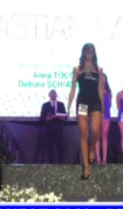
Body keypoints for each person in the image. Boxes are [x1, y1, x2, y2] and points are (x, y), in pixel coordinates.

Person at [67, 43, 105, 180]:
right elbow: (73, 89)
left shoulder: (99, 70)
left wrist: (103, 108)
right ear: (83, 53)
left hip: (95, 101)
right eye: (87, 52)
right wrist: (68, 107)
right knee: (83, 132)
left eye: (92, 52)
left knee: (95, 130)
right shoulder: (77, 69)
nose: (90, 54)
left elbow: (100, 89)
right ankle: (86, 167)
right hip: (82, 102)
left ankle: (92, 148)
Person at [40, 89, 66, 163]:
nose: (54, 96)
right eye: (52, 94)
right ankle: (51, 165)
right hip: (49, 130)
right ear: (49, 95)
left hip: (59, 129)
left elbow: (65, 116)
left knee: (60, 148)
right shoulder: (45, 105)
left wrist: (60, 117)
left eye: (55, 94)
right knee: (50, 148)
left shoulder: (61, 104)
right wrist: (49, 118)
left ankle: (61, 165)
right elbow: (42, 117)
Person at [98, 75, 112, 165]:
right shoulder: (95, 90)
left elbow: (109, 104)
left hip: (106, 114)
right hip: (96, 113)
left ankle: (104, 158)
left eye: (104, 78)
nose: (103, 80)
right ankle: (98, 158)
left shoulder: (109, 91)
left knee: (105, 136)